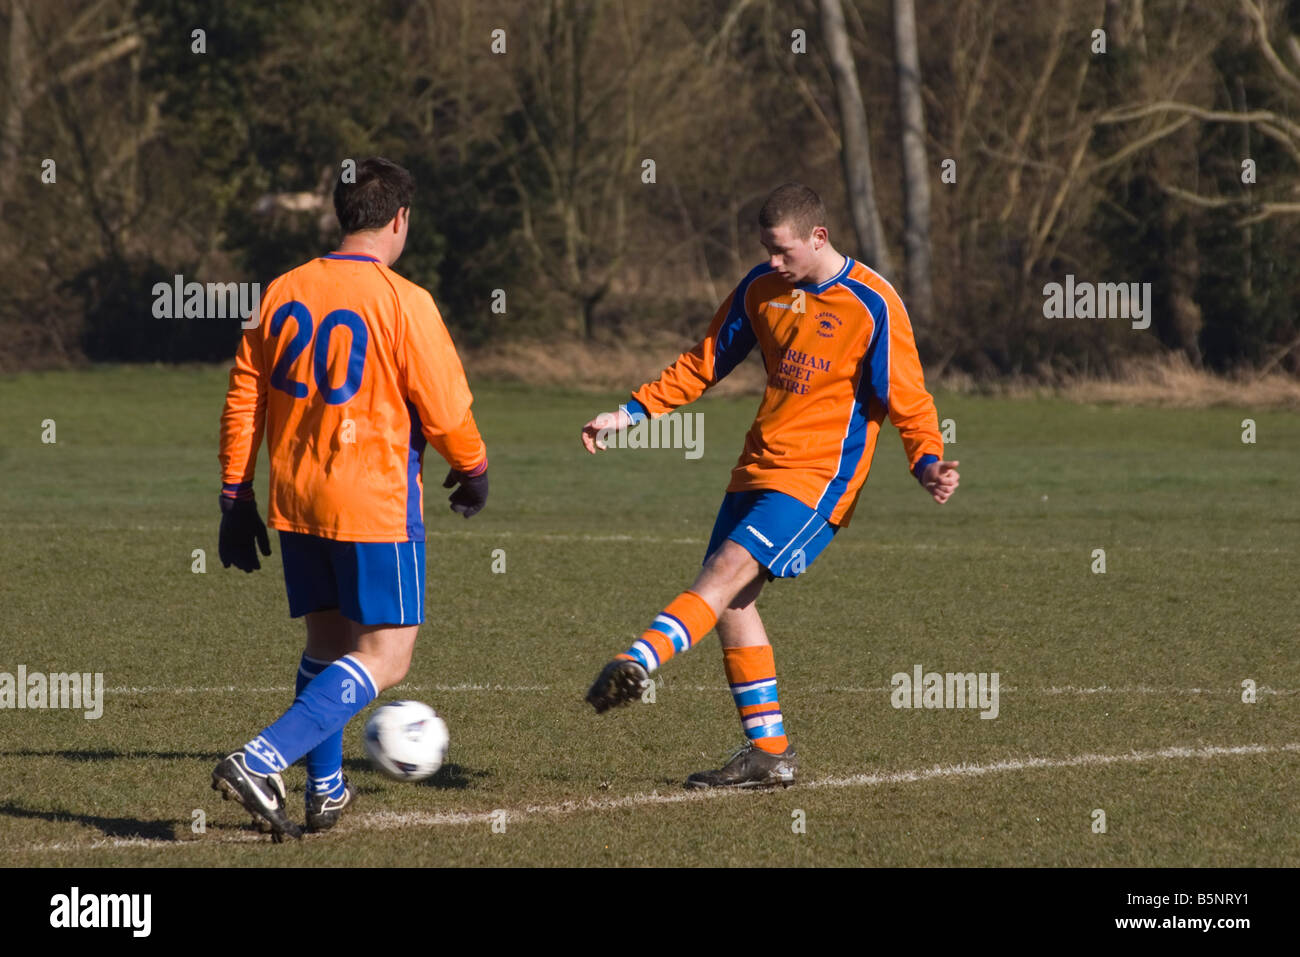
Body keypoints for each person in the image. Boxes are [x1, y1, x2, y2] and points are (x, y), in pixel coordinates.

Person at [581, 183, 959, 789]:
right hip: (755, 467)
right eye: (765, 249)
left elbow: (907, 396)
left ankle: (637, 660)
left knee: (724, 572)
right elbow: (703, 361)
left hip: (817, 479)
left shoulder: (872, 304)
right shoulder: (762, 288)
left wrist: (928, 461)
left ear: (819, 237)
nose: (773, 261)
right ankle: (770, 754)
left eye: (783, 250)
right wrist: (628, 415)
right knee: (730, 604)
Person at [213, 157, 489, 840]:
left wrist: (233, 492)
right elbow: (447, 408)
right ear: (400, 219)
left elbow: (244, 397)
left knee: (328, 642)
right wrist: (474, 466)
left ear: (341, 214)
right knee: (388, 654)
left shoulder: (279, 291)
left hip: (296, 497)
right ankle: (261, 758)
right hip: (372, 499)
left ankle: (327, 788)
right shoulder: (405, 300)